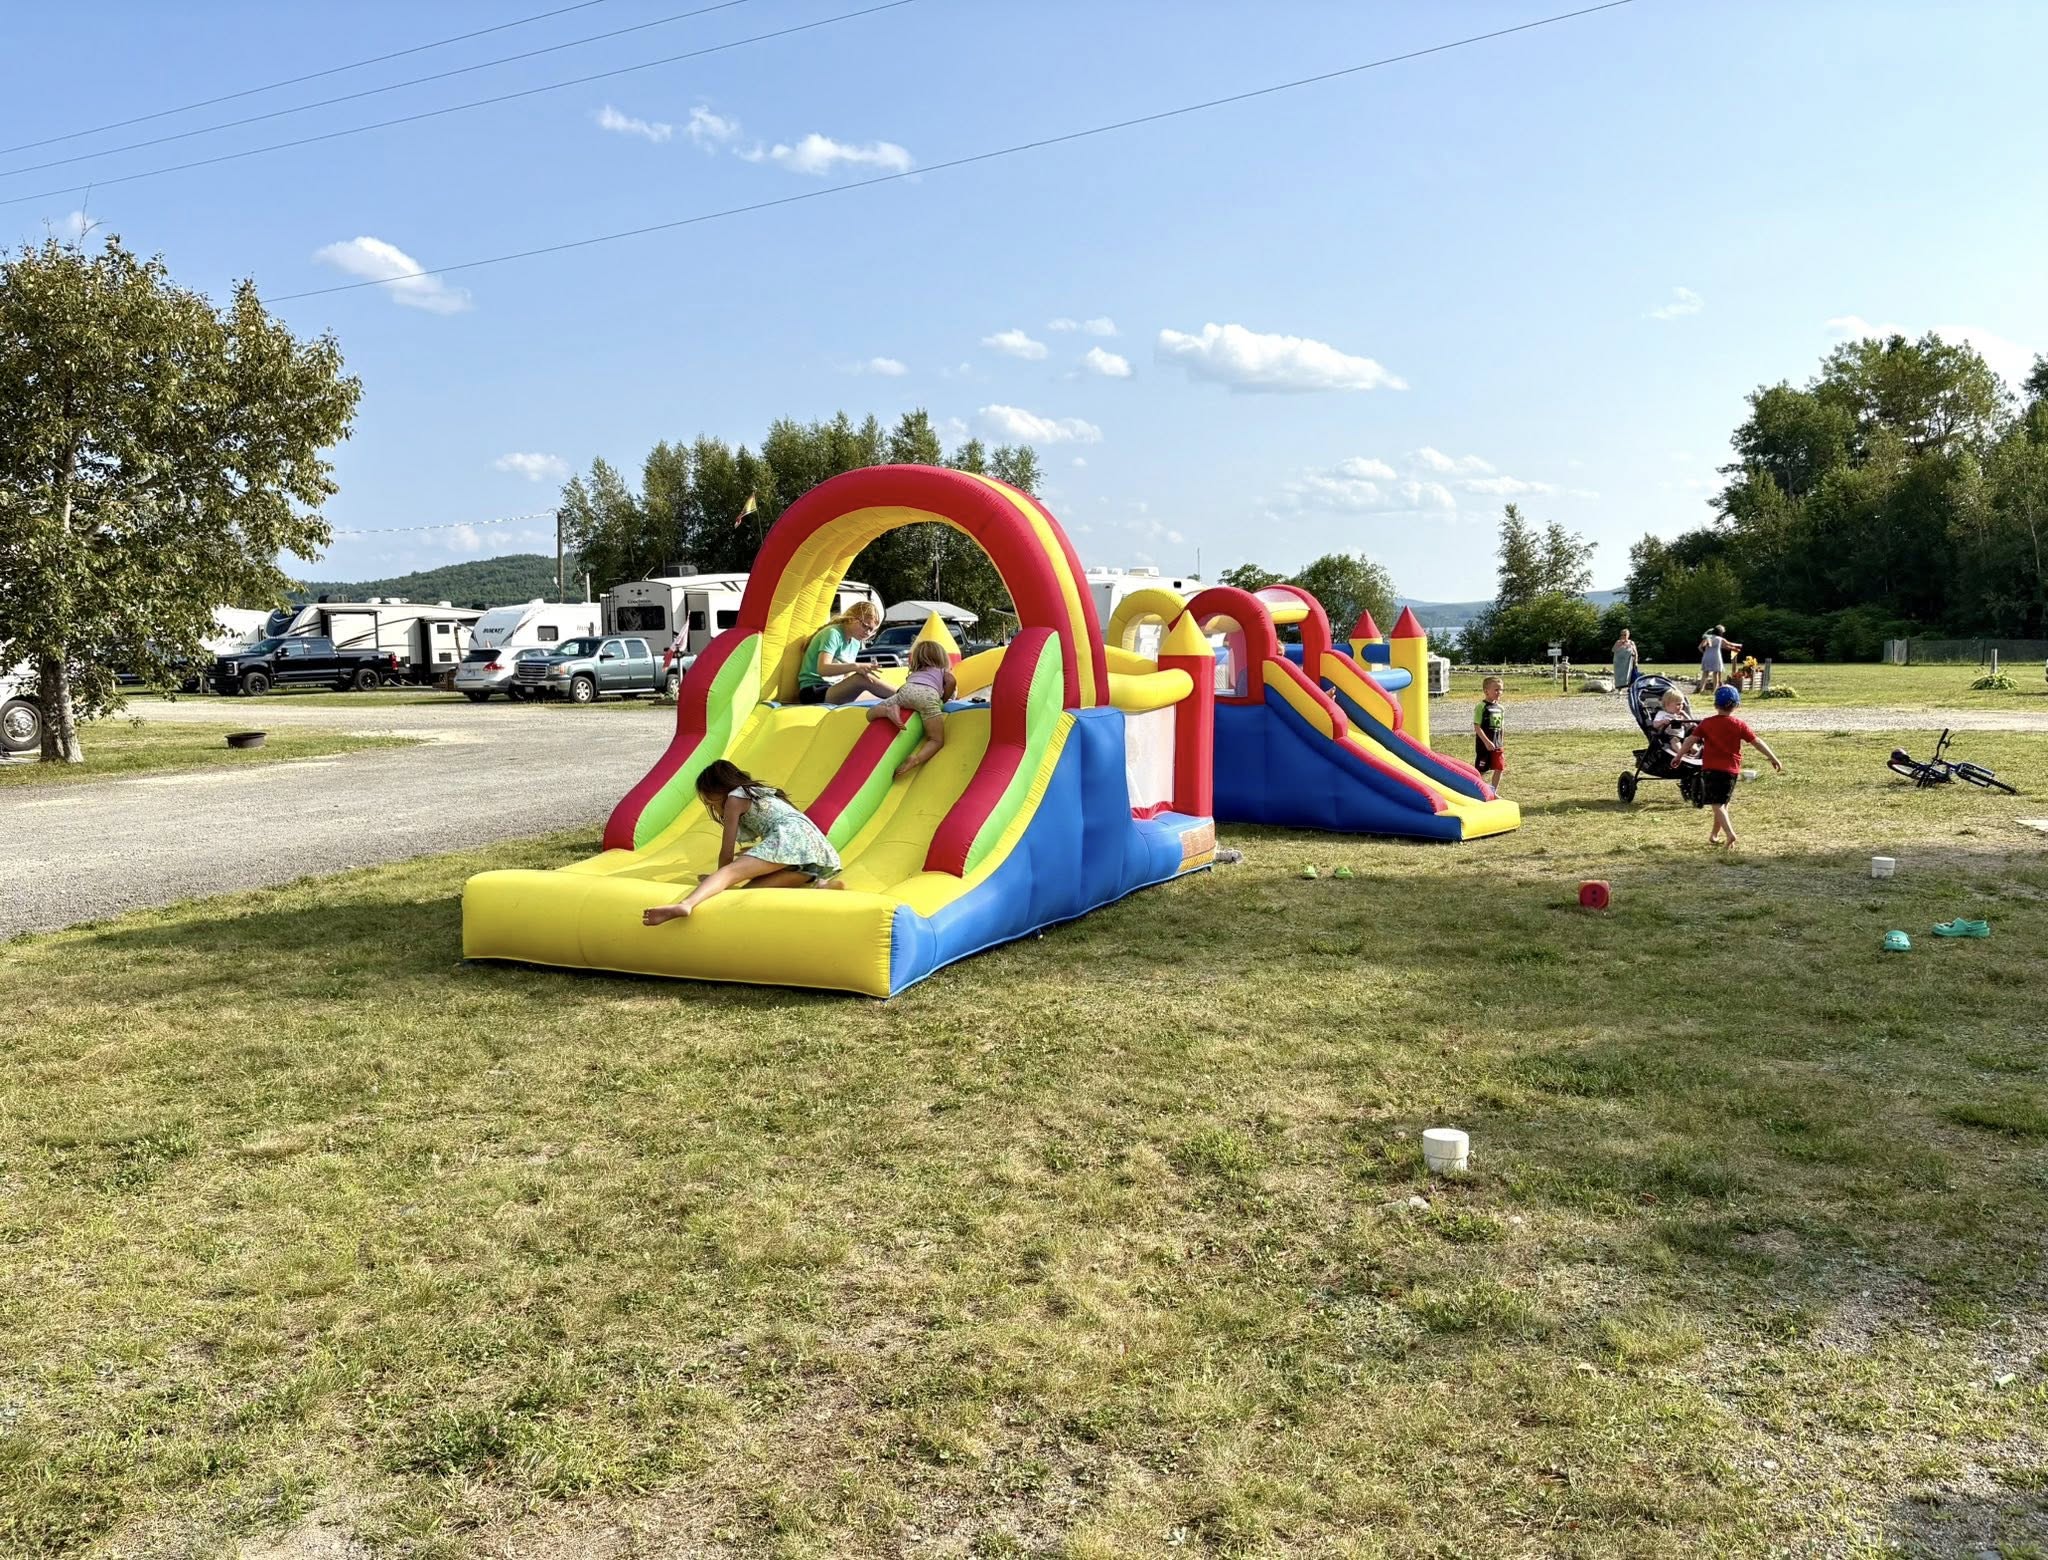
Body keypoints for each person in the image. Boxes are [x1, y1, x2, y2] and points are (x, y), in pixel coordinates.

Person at [642, 760, 841, 923]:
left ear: (715, 790)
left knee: (730, 873)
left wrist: (721, 877)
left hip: (790, 836)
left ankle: (685, 904)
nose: (711, 804)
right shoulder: (757, 792)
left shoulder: (733, 799)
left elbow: (726, 852)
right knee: (747, 893)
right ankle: (819, 885)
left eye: (709, 800)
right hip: (810, 847)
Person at [1674, 685, 1783, 848]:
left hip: (1712, 770)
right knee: (1723, 803)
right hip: (1731, 771)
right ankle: (1714, 834)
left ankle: (1730, 834)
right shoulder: (1739, 724)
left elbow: (1690, 740)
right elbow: (1757, 742)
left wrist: (1679, 755)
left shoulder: (1707, 723)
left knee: (1716, 804)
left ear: (1715, 705)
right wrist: (1773, 758)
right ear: (1737, 705)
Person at [867, 639, 958, 780]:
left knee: (870, 713)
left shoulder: (915, 672)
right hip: (927, 698)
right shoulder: (941, 671)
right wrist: (944, 699)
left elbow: (904, 689)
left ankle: (887, 711)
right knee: (936, 740)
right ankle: (915, 759)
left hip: (905, 693)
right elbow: (951, 682)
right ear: (941, 658)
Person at [797, 601, 892, 705]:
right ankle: (904, 695)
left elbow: (846, 676)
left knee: (875, 693)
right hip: (814, 691)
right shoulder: (833, 633)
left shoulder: (856, 641)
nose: (868, 633)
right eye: (865, 626)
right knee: (861, 679)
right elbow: (823, 669)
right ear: (852, 619)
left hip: (833, 688)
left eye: (872, 631)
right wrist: (856, 666)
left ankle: (902, 695)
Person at [1472, 676, 1507, 789]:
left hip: (1497, 745)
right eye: (1496, 690)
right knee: (1481, 770)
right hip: (1484, 746)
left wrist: (1501, 741)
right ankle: (1476, 790)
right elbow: (1477, 726)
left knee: (1499, 767)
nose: (1499, 692)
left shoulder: (1501, 708)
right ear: (1486, 691)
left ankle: (1493, 791)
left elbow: (1501, 727)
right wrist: (1486, 742)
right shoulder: (1481, 707)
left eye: (1501, 689)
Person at [1650, 687, 1693, 759]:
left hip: (1682, 735)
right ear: (1667, 704)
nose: (1681, 707)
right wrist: (1662, 722)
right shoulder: (1662, 714)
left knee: (1691, 739)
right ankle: (1681, 754)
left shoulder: (1679, 715)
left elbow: (1691, 724)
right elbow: (1654, 725)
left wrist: (1685, 715)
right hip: (1669, 736)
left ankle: (1698, 753)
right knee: (1674, 740)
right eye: (1678, 704)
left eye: (1682, 704)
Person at [1698, 624, 1742, 693]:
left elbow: (1700, 647)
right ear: (1720, 632)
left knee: (1705, 673)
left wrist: (1705, 653)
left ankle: (1701, 690)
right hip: (1716, 657)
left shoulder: (1707, 638)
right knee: (1715, 673)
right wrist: (1739, 645)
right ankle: (1715, 690)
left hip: (1706, 657)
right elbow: (1729, 644)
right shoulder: (1719, 639)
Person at [1611, 628, 1638, 693]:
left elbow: (1635, 653)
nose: (1623, 636)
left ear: (1628, 635)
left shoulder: (1631, 643)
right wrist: (1620, 644)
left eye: (1625, 635)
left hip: (1629, 662)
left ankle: (1630, 688)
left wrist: (1636, 661)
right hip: (1619, 663)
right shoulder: (1618, 642)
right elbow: (1613, 650)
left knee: (1630, 675)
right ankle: (1619, 689)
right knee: (1619, 675)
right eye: (1622, 635)